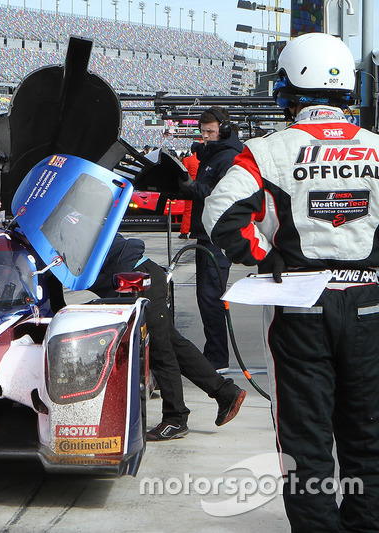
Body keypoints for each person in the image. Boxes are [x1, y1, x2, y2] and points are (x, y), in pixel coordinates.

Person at [202, 33, 379, 531]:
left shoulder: (266, 151)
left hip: (301, 309)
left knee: (305, 440)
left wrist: (268, 256)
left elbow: (220, 216)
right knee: (370, 436)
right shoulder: (377, 149)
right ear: (347, 87)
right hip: (370, 307)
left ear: (289, 88)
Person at [89, 233, 246, 441]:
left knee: (160, 351)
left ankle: (176, 418)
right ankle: (225, 392)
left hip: (139, 280)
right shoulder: (61, 225)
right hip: (141, 275)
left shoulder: (53, 234)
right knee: (174, 344)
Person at [179, 106, 243, 372]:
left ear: (224, 130)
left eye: (210, 132)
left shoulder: (227, 158)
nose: (205, 137)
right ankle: (214, 354)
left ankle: (218, 358)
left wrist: (190, 186)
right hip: (206, 234)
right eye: (203, 132)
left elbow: (220, 193)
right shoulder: (211, 155)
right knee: (206, 297)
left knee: (211, 297)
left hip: (217, 237)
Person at [178, 142, 202, 239]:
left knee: (188, 210)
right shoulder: (203, 159)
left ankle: (184, 232)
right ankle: (197, 230)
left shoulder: (187, 160)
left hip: (190, 188)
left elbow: (183, 174)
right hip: (201, 187)